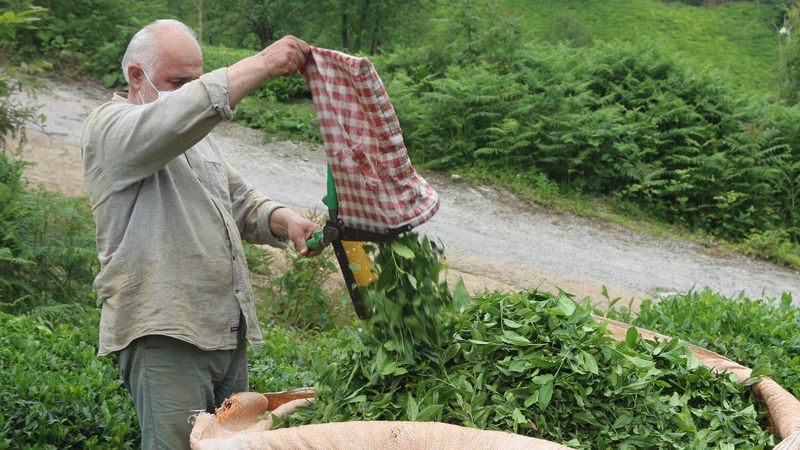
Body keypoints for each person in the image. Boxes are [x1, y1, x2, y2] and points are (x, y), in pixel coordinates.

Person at [80, 19, 319, 450]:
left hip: (224, 330)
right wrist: (264, 63)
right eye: (179, 81)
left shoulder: (195, 139)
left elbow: (241, 201)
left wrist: (285, 220)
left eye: (195, 79)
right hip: (166, 334)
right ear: (137, 75)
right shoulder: (110, 128)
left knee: (230, 445)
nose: (190, 89)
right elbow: (174, 117)